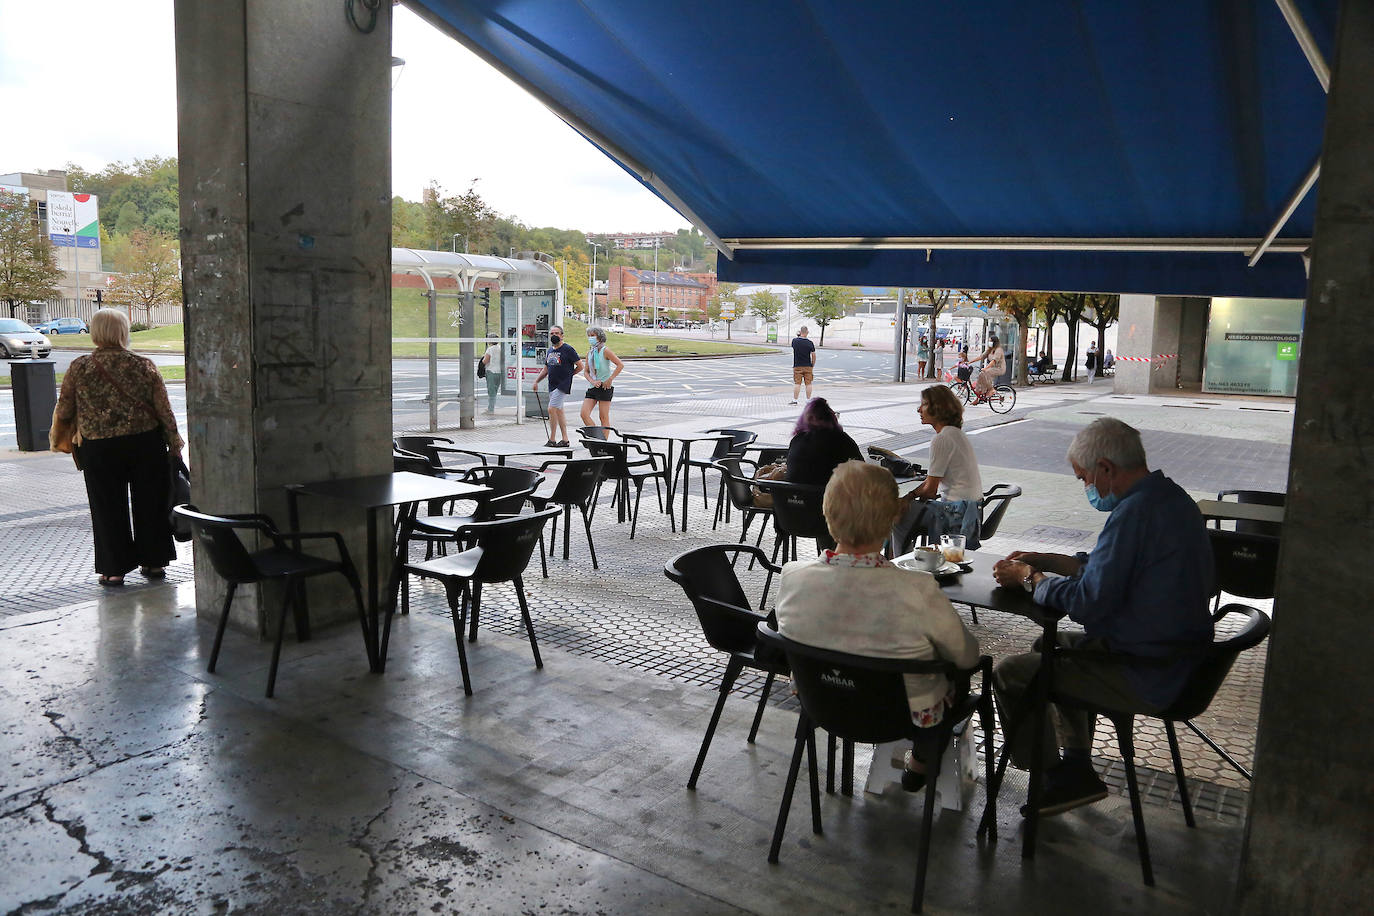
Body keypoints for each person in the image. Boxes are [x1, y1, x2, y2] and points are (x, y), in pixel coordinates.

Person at [990, 418, 1214, 817]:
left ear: (1106, 468)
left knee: (1012, 674)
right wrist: (1048, 561)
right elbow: (1112, 572)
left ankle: (1048, 774)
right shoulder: (1170, 499)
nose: (1086, 488)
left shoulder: (1134, 513)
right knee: (1050, 646)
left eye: (1083, 479)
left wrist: (1030, 579)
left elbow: (1089, 602)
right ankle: (1076, 765)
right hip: (1180, 660)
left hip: (1148, 670)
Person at [776, 460, 980, 789]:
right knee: (955, 684)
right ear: (892, 519)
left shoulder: (793, 578)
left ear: (827, 515)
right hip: (899, 718)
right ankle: (921, 762)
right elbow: (967, 657)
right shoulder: (917, 589)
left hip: (822, 704)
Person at [51, 308, 183, 587]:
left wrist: (58, 438)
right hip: (146, 444)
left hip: (99, 447)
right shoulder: (144, 365)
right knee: (151, 503)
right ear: (123, 331)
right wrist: (175, 444)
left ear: (96, 333)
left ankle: (114, 569)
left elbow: (64, 408)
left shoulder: (80, 366)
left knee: (107, 507)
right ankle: (154, 561)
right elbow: (164, 410)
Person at [894, 385, 983, 553]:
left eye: (924, 404)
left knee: (895, 514)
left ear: (938, 408)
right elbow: (932, 483)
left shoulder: (941, 439)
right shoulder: (956, 434)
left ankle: (898, 561)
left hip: (955, 512)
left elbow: (930, 489)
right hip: (970, 511)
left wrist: (907, 498)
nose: (919, 409)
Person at [785, 397, 862, 487]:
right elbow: (862, 469)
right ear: (831, 417)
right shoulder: (841, 439)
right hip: (828, 498)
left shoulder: (797, 439)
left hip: (790, 497)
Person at [531, 325, 582, 448]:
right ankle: (565, 439)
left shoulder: (568, 349)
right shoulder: (550, 351)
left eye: (557, 333)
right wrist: (536, 381)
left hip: (562, 385)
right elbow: (546, 368)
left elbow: (580, 366)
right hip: (552, 384)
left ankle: (552, 439)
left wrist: (569, 376)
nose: (554, 335)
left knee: (551, 409)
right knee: (559, 411)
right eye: (552, 333)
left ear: (562, 335)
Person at [579, 326, 624, 429]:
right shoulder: (590, 353)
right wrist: (592, 381)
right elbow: (586, 372)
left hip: (604, 387)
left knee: (603, 417)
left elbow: (620, 365)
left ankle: (604, 442)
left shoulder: (605, 350)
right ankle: (597, 436)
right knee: (584, 414)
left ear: (599, 337)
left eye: (592, 336)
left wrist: (610, 379)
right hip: (592, 387)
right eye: (589, 336)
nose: (590, 338)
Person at [789, 325, 816, 405]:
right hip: (808, 365)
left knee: (797, 383)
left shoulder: (795, 341)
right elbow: (813, 355)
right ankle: (808, 400)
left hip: (797, 365)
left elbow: (795, 343)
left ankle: (795, 400)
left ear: (800, 332)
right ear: (807, 332)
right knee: (808, 383)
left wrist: (798, 334)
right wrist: (812, 365)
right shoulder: (810, 343)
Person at [480, 340, 502, 414]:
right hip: (500, 371)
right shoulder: (501, 348)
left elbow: (485, 361)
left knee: (491, 391)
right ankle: (491, 407)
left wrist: (481, 361)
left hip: (491, 371)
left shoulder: (490, 349)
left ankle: (490, 409)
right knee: (495, 390)